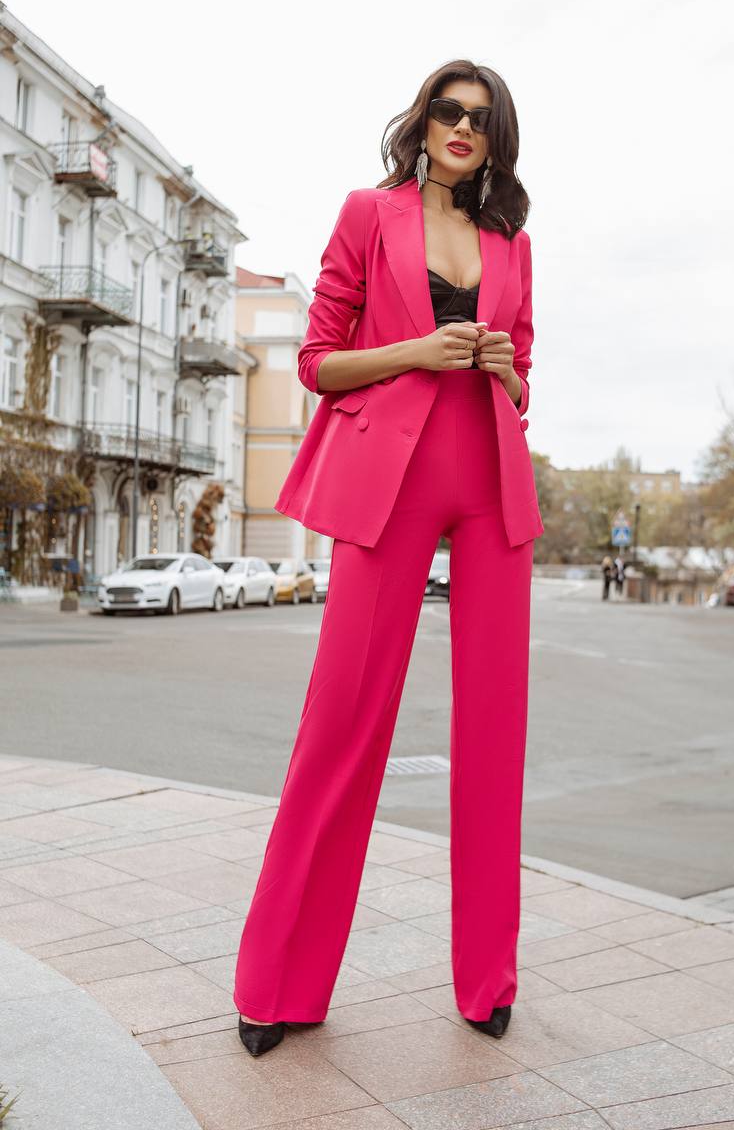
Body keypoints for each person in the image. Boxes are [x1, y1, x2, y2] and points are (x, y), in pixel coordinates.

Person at [233, 61, 544, 1057]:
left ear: (495, 140)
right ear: (421, 122)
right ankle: (278, 982)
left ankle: (488, 979)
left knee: (493, 734)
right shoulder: (368, 214)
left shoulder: (511, 241)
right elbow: (317, 362)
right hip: (387, 482)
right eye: (448, 111)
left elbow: (524, 377)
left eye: (481, 118)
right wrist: (417, 351)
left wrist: (501, 368)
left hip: (489, 483)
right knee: (342, 724)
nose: (462, 127)